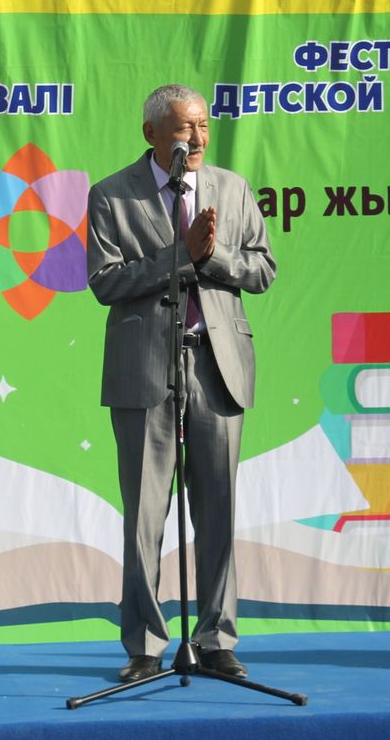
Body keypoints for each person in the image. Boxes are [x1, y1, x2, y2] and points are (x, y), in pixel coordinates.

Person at [86, 84, 276, 682]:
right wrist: (180, 255)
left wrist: (210, 257)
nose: (196, 138)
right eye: (183, 128)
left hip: (217, 365)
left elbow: (262, 269)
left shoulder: (232, 189)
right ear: (151, 134)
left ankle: (216, 639)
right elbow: (105, 282)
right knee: (145, 513)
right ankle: (144, 646)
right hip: (145, 367)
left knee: (218, 509)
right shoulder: (112, 195)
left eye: (202, 126)